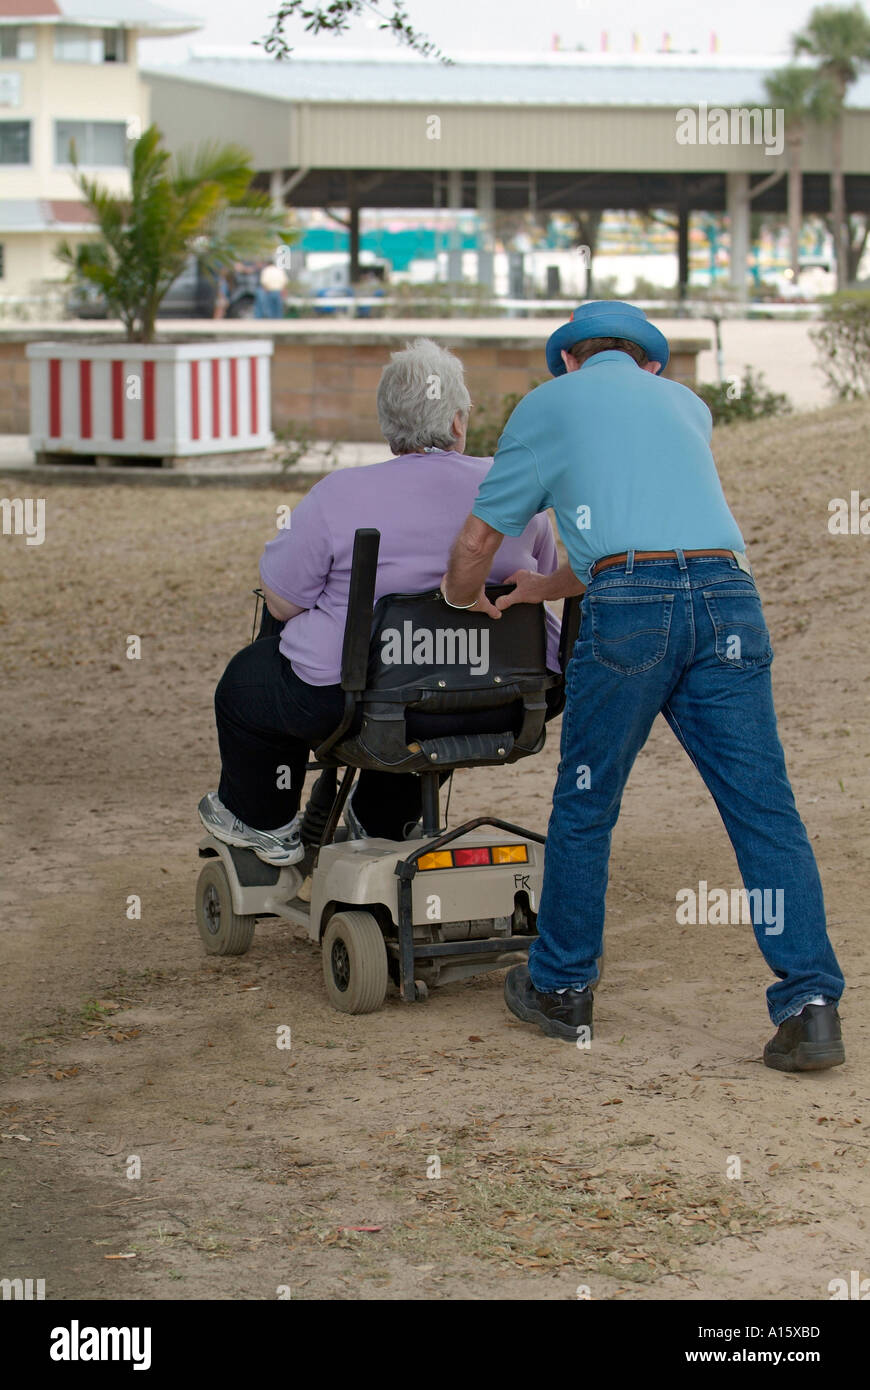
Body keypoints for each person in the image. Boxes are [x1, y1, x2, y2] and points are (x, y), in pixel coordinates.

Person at [443, 301, 845, 1073]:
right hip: (728, 598)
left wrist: (468, 598)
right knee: (764, 808)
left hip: (629, 612)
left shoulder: (547, 404)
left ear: (569, 359)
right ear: (649, 364)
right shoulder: (686, 406)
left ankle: (561, 987)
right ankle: (811, 1003)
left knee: (588, 802)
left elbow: (475, 542)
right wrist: (545, 584)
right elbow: (662, 541)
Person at [199, 337, 561, 866]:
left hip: (357, 699)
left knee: (249, 684)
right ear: (459, 422)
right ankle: (384, 821)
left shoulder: (339, 495)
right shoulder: (515, 489)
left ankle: (267, 825)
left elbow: (280, 604)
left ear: (388, 423)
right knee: (427, 684)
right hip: (504, 697)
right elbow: (542, 583)